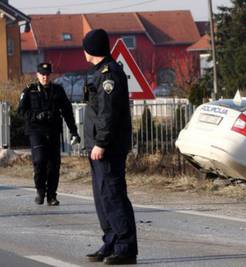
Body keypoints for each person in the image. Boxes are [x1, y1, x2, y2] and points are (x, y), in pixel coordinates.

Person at [82, 29, 137, 265]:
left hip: (108, 147)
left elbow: (108, 113)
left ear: (92, 49)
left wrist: (101, 142)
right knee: (103, 197)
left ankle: (125, 247)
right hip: (98, 146)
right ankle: (112, 241)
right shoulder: (97, 72)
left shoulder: (108, 75)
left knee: (113, 196)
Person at [18, 63, 80, 206]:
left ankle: (51, 195)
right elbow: (21, 111)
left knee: (54, 165)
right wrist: (36, 116)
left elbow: (67, 112)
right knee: (39, 161)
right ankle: (40, 191)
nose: (45, 77)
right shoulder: (29, 90)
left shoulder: (57, 90)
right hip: (36, 131)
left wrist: (74, 131)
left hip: (53, 131)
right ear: (37, 74)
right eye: (42, 74)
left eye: (47, 74)